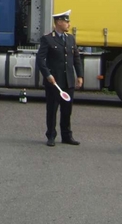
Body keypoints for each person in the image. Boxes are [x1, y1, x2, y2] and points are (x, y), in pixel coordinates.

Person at [36, 10, 83, 147]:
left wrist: (79, 75)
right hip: (54, 82)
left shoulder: (70, 39)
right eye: (66, 21)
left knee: (67, 110)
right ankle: (51, 135)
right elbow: (40, 59)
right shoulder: (48, 39)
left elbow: (76, 58)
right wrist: (47, 75)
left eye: (68, 21)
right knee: (52, 110)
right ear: (58, 22)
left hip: (68, 81)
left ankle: (67, 136)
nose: (68, 24)